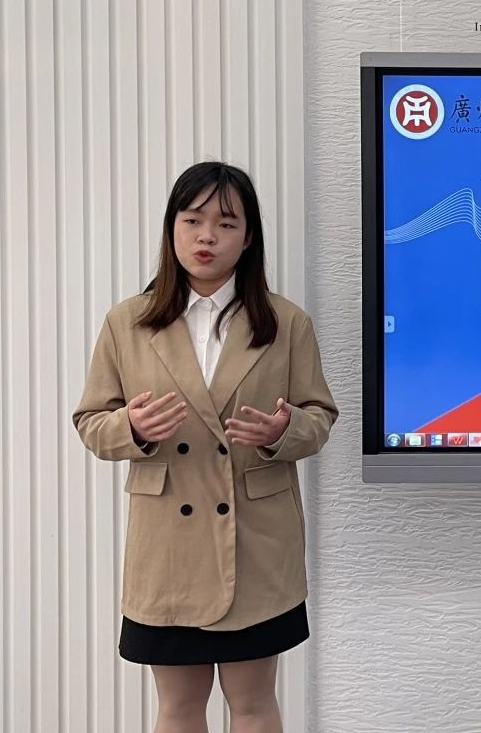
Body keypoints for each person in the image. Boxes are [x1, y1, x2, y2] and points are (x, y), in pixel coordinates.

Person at [72, 161, 338, 733]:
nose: (207, 236)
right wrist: (132, 427)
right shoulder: (128, 322)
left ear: (249, 237)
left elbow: (320, 418)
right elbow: (90, 422)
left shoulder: (286, 323)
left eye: (226, 223)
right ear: (171, 229)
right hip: (169, 543)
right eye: (192, 220)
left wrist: (282, 432)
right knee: (178, 706)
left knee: (254, 704)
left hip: (256, 541)